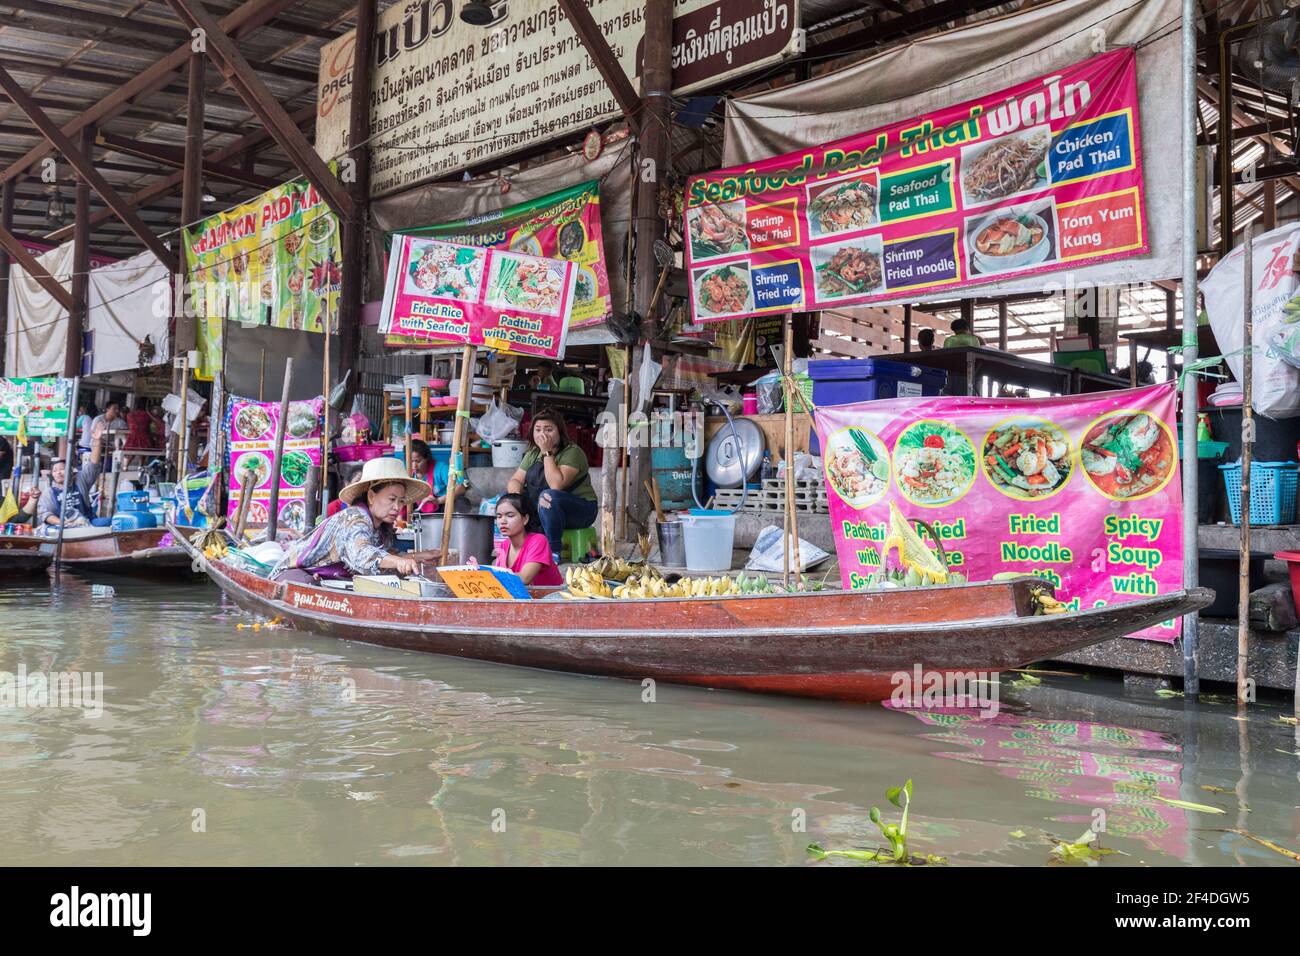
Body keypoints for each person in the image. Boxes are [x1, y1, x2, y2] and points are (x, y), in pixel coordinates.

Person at [269, 456, 441, 583]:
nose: (397, 507)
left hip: (325, 578)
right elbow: (361, 554)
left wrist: (419, 557)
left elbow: (384, 557)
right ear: (372, 496)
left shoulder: (380, 526)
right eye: (391, 499)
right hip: (292, 575)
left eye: (401, 501)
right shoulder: (355, 517)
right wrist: (399, 561)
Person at [506, 408, 598, 557]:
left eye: (549, 430)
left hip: (581, 510)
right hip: (544, 511)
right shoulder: (533, 454)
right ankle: (517, 549)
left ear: (560, 432)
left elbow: (556, 485)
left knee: (548, 497)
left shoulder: (572, 452)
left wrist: (547, 452)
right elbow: (515, 480)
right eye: (538, 430)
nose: (542, 434)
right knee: (507, 500)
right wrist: (517, 499)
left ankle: (553, 552)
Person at [37, 421, 112, 530]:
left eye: (62, 469)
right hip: (62, 527)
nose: (58, 472)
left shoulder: (80, 480)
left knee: (111, 521)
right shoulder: (49, 492)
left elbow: (94, 464)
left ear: (72, 472)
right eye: (55, 470)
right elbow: (45, 514)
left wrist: (97, 440)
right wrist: (64, 523)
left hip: (86, 522)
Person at [491, 493, 564, 586]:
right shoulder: (504, 545)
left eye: (510, 515)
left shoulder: (538, 541)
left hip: (548, 598)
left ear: (525, 519)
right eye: (499, 516)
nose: (502, 521)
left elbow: (525, 578)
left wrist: (490, 577)